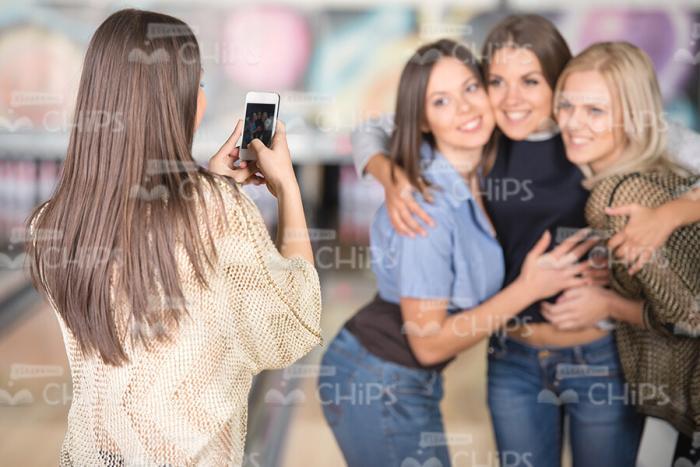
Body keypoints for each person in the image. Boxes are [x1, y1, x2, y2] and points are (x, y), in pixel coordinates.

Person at [351, 15, 699, 467]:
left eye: (531, 81)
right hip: (513, 356)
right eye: (496, 81)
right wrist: (389, 174)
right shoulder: (483, 133)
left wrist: (668, 215)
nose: (511, 99)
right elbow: (374, 128)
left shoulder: (590, 131)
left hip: (599, 357)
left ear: (560, 83)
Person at [24, 9, 322, 466]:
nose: (200, 97)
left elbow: (137, 268)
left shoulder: (50, 223)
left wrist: (203, 186)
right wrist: (288, 191)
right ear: (174, 98)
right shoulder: (216, 210)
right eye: (198, 84)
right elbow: (291, 322)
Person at [318, 38, 598, 467]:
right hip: (377, 380)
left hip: (402, 378)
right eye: (442, 101)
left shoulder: (478, 167)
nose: (466, 108)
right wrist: (530, 288)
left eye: (471, 88)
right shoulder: (424, 206)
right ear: (424, 120)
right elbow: (429, 345)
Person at [551, 40, 700, 465]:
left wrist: (608, 303)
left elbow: (691, 319)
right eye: (566, 105)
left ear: (633, 118)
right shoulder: (654, 177)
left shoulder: (617, 198)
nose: (572, 123)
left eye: (595, 111)